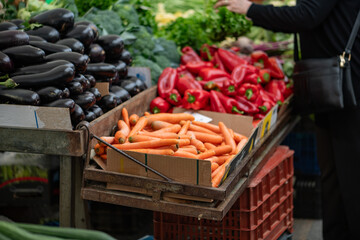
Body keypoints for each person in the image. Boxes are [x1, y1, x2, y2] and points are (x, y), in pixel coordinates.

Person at [214, 0, 360, 239]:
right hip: (331, 85)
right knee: (333, 177)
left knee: (352, 178)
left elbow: (306, 15)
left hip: (349, 86)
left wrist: (250, 9)